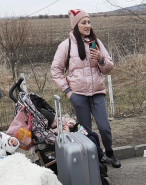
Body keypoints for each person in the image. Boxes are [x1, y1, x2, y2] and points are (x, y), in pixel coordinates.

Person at [51, 9, 120, 168]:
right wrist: (68, 92)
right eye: (84, 22)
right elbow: (56, 70)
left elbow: (108, 68)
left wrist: (101, 59)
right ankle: (95, 158)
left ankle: (109, 153)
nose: (87, 25)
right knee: (86, 131)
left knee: (104, 127)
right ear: (76, 25)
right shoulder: (66, 45)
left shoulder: (96, 42)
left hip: (97, 93)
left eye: (89, 22)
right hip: (78, 95)